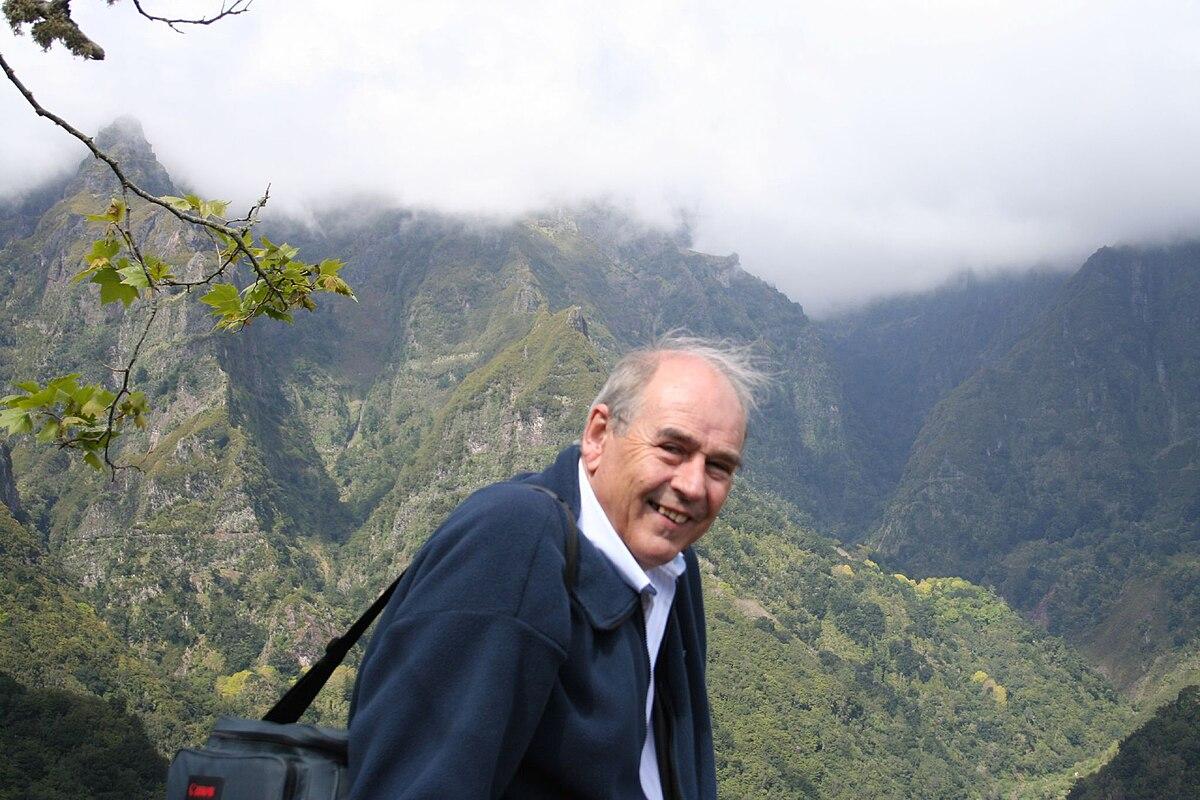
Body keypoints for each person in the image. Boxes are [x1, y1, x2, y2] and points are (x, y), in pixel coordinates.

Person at [347, 335, 767, 799]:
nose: (692, 485)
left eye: (719, 468)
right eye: (672, 447)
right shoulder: (511, 543)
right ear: (598, 435)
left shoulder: (671, 569)